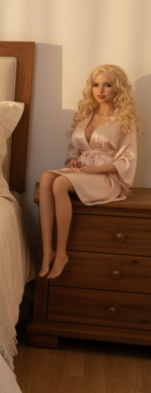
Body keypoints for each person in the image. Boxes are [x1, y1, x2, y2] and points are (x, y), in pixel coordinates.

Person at [38, 64, 140, 279]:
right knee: (46, 177)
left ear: (118, 89)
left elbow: (127, 158)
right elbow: (74, 149)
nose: (100, 90)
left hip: (105, 177)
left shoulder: (124, 120)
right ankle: (48, 250)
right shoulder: (87, 116)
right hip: (83, 172)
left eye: (107, 85)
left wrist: (97, 170)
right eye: (96, 84)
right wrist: (74, 161)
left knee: (59, 184)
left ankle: (62, 254)